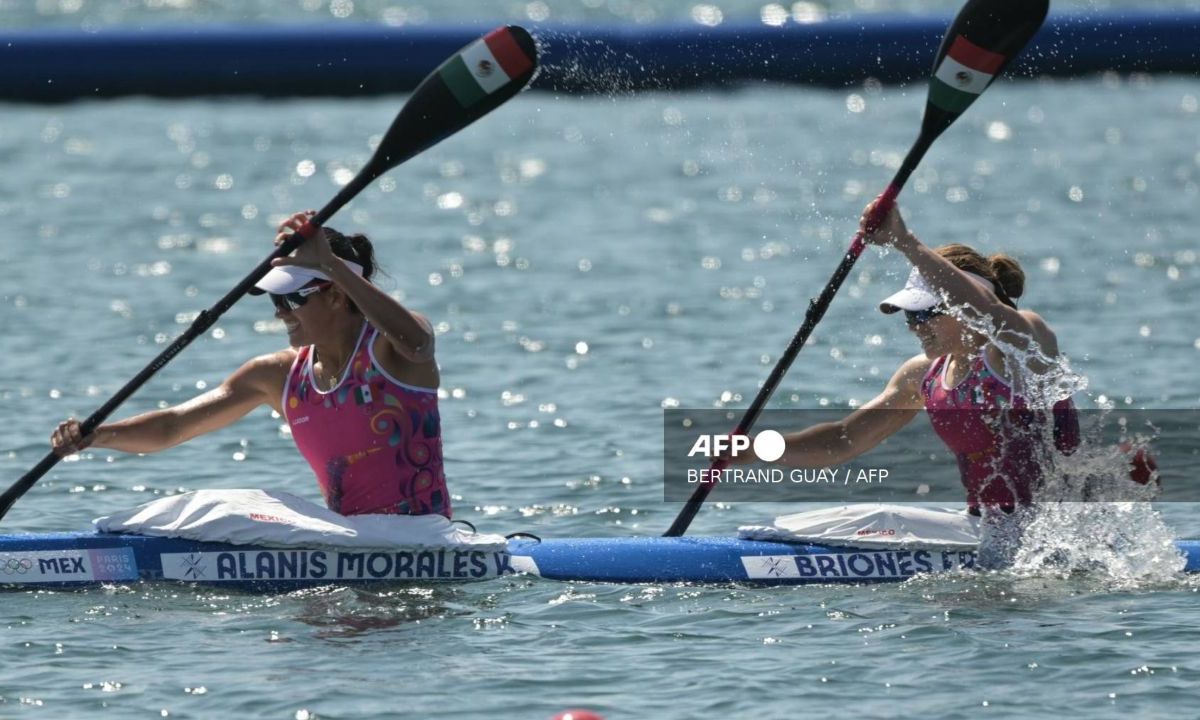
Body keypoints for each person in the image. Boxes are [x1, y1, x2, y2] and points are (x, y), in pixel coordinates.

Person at [51, 210, 450, 518]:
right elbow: (173, 426)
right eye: (277, 302)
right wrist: (97, 436)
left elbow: (418, 343)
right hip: (352, 543)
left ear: (335, 296)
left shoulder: (389, 351)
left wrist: (329, 264)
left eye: (291, 300)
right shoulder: (275, 375)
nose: (280, 314)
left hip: (421, 540)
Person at [755, 199, 1080, 567]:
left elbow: (988, 312)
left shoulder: (1022, 347)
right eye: (910, 315)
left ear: (964, 306)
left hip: (1059, 534)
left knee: (881, 522)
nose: (915, 326)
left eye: (927, 312)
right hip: (986, 531)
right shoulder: (922, 374)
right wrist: (752, 451)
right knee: (871, 519)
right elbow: (842, 441)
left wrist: (904, 241)